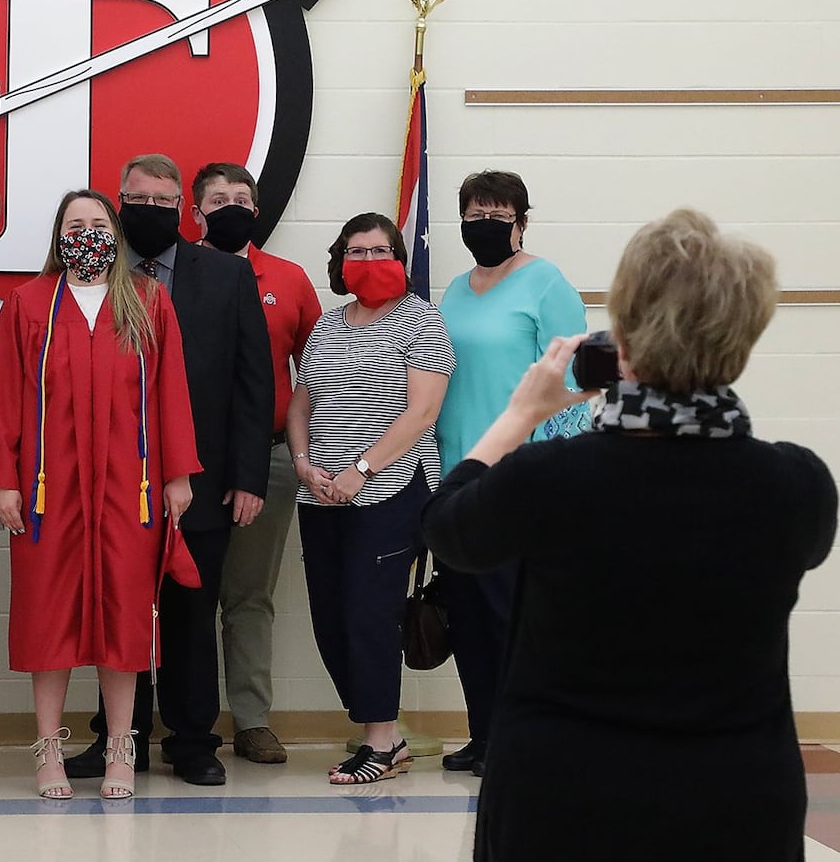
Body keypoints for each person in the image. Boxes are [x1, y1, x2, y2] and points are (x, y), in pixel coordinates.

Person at [422, 209, 836, 862]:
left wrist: (520, 414)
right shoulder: (796, 486)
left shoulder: (551, 480)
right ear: (743, 337)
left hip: (561, 829)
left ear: (628, 336)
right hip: (732, 834)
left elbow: (449, 526)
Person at [64, 153, 274, 787]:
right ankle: (116, 742)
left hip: (202, 480)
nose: (149, 210)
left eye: (162, 202)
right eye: (138, 199)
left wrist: (248, 477)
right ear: (119, 201)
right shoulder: (93, 277)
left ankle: (192, 741)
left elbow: (252, 384)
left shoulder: (226, 277)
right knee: (118, 609)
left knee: (191, 611)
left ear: (182, 208)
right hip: (112, 483)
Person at [0, 190, 201, 800]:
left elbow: (170, 391)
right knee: (47, 612)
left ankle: (119, 747)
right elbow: (5, 393)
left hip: (126, 487)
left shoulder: (145, 300)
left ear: (116, 233)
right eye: (74, 224)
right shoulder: (28, 305)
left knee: (126, 614)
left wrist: (177, 475)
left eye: (97, 223)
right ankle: (48, 748)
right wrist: (4, 477)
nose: (86, 232)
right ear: (57, 236)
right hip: (46, 488)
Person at [286, 213, 453, 784]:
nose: (368, 261)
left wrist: (361, 469)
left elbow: (422, 412)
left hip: (390, 490)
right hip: (320, 496)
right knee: (330, 619)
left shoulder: (421, 322)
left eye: (381, 250)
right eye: (356, 252)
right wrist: (306, 466)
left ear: (400, 258)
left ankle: (379, 742)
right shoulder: (328, 326)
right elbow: (300, 402)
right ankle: (388, 736)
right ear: (340, 262)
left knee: (369, 614)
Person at [433, 170, 587, 777]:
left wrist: (549, 471)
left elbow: (574, 386)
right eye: (474, 214)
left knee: (512, 617)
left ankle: (521, 737)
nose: (485, 224)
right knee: (470, 617)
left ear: (522, 218)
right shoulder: (453, 289)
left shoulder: (547, 284)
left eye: (498, 213)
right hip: (456, 475)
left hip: (519, 481)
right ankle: (483, 732)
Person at [192, 162, 323, 766]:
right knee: (179, 593)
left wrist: (308, 455)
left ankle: (251, 719)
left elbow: (318, 375)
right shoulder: (172, 276)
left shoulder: (290, 280)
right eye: (218, 199)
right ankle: (179, 721)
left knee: (248, 596)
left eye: (242, 198)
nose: (231, 207)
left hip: (266, 459)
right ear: (196, 213)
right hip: (185, 467)